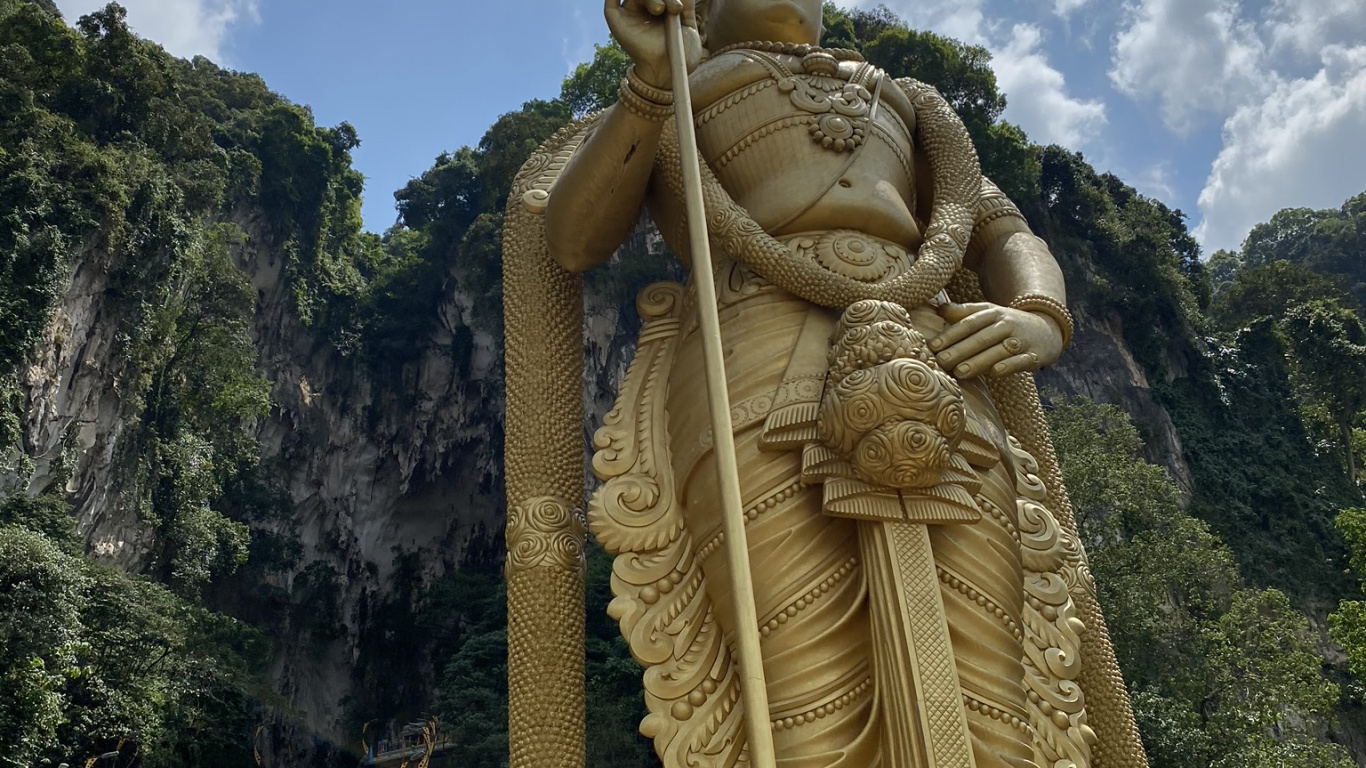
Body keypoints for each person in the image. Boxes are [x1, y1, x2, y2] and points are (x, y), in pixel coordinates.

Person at [505, 1, 1146, 767]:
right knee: (802, 697)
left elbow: (1004, 232)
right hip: (754, 354)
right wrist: (649, 80)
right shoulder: (674, 91)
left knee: (990, 684)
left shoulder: (902, 100)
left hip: (935, 353)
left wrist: (1042, 313)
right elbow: (571, 239)